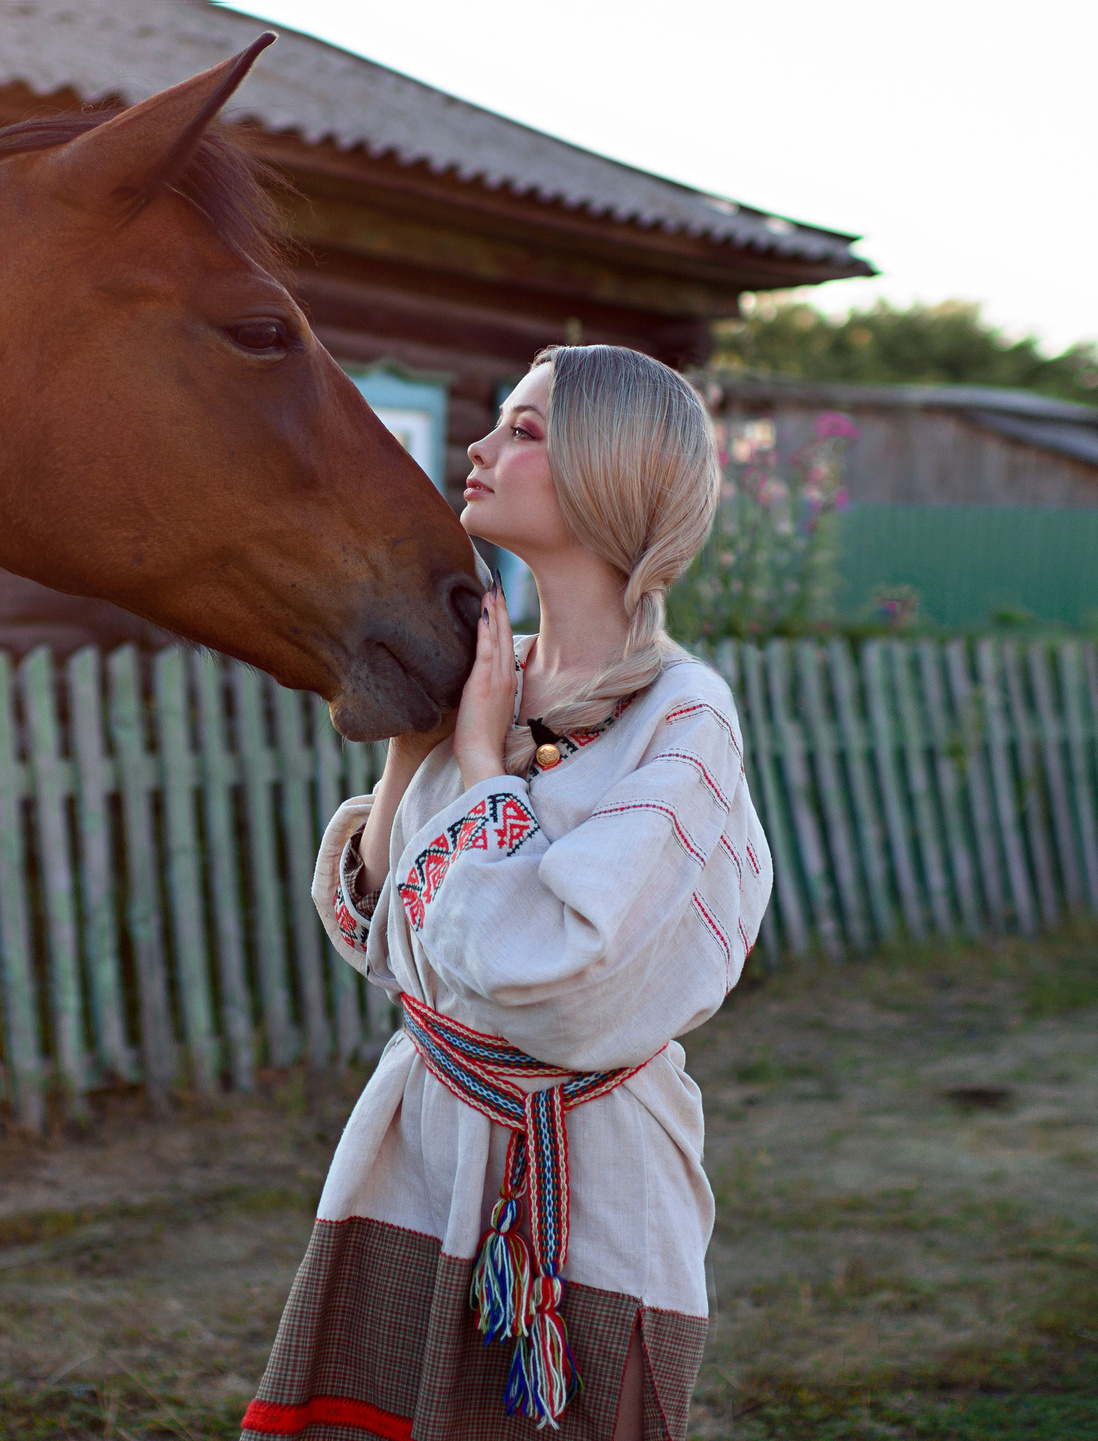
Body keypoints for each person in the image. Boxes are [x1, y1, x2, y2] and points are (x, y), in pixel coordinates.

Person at [240, 345, 773, 1441]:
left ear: (608, 474)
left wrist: (483, 768)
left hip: (593, 1185)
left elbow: (559, 976)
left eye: (523, 430)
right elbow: (385, 936)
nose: (479, 448)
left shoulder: (682, 717)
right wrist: (414, 747)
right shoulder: (493, 671)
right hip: (415, 1153)